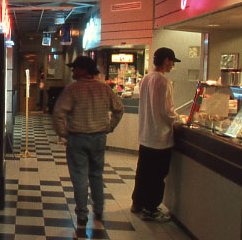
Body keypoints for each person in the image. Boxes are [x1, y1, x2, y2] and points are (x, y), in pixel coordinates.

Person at [52, 56, 124, 227]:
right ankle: (98, 210)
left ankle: (82, 214)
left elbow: (58, 113)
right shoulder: (104, 88)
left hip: (77, 138)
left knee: (80, 177)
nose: (73, 71)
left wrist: (64, 133)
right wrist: (109, 127)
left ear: (84, 70)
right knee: (96, 175)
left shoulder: (72, 90)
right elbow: (119, 109)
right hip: (99, 137)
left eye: (75, 68)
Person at [131, 47, 181, 222]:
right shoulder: (164, 82)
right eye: (172, 61)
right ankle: (151, 209)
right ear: (166, 60)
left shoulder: (145, 79)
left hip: (146, 135)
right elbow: (167, 112)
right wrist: (179, 120)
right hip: (160, 138)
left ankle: (137, 203)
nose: (173, 65)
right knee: (157, 176)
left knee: (143, 172)